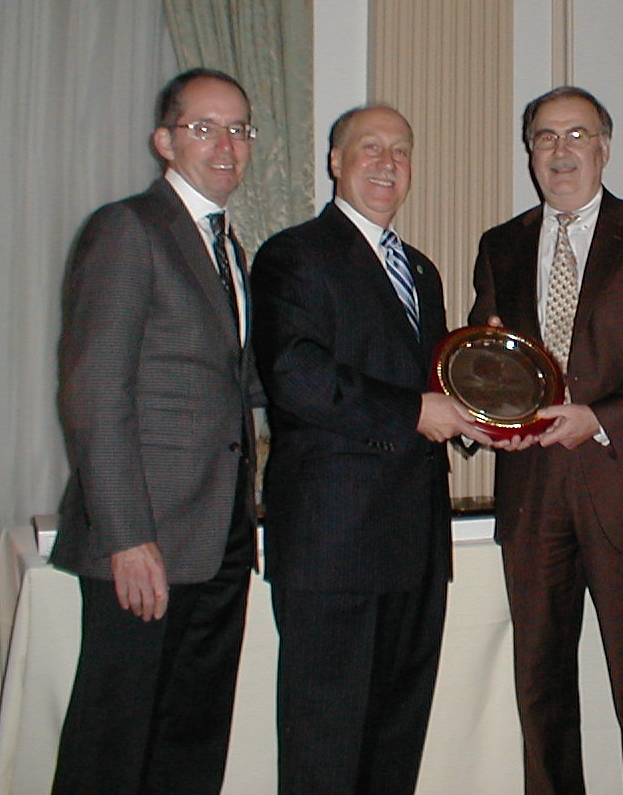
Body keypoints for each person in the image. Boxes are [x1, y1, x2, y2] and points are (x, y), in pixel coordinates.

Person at [469, 86, 623, 795]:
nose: (561, 150)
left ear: (605, 147)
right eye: (546, 137)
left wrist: (601, 415)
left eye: (578, 135)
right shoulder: (503, 244)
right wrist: (492, 418)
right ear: (529, 153)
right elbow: (489, 364)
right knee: (541, 693)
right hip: (534, 498)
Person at [250, 105, 484, 795]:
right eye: (370, 148)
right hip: (333, 548)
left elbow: (437, 386)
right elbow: (294, 375)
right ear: (334, 161)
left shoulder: (421, 269)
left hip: (415, 545)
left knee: (394, 740)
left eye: (402, 151)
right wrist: (418, 411)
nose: (388, 163)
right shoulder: (292, 255)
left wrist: (484, 400)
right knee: (324, 749)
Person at [50, 68, 262, 795]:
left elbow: (243, 383)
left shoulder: (231, 250)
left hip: (220, 539)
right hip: (145, 544)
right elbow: (93, 392)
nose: (226, 144)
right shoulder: (128, 228)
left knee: (190, 742)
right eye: (205, 127)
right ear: (164, 141)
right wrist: (124, 536)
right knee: (113, 749)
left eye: (239, 128)